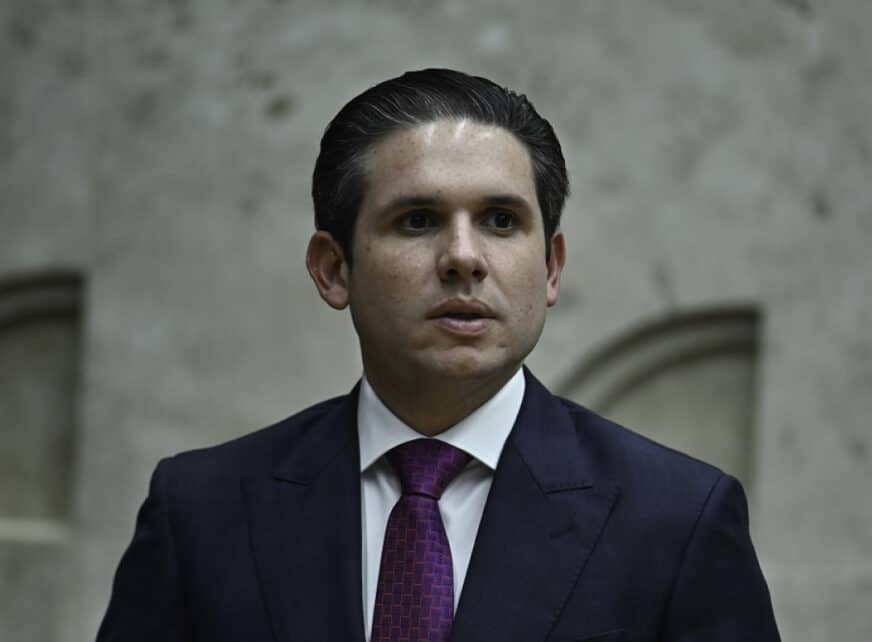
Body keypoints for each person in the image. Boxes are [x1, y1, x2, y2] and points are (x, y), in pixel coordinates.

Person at [98, 68, 781, 642]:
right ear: (333, 269)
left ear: (550, 267)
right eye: (418, 220)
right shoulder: (203, 510)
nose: (463, 257)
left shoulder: (677, 519)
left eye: (501, 221)